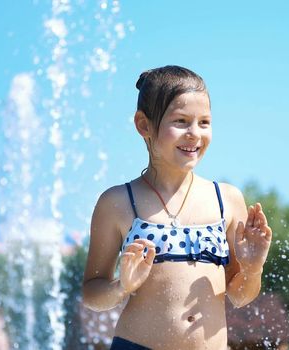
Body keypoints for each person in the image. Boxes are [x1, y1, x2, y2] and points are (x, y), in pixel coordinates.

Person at [82, 65, 273, 350]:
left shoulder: (227, 200)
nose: (194, 134)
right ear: (143, 125)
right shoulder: (118, 202)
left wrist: (253, 268)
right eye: (181, 121)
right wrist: (122, 286)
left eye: (204, 122)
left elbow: (240, 296)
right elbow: (91, 293)